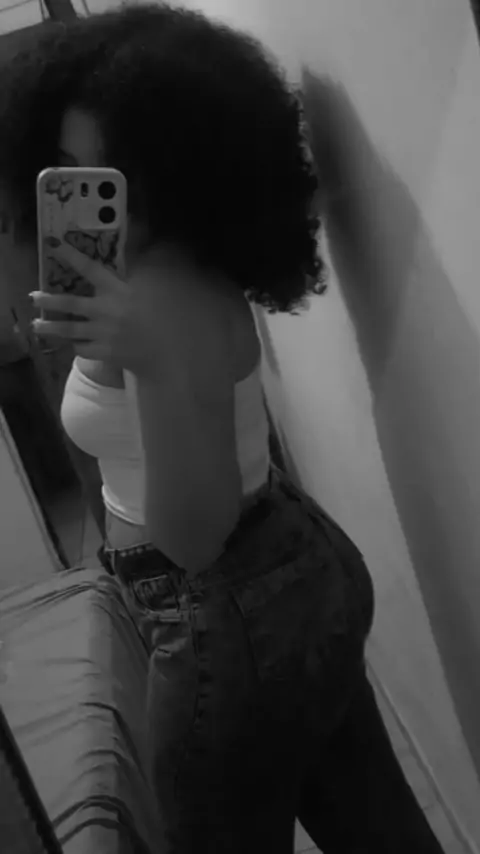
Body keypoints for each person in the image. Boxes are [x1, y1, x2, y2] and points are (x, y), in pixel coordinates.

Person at [0, 4, 446, 852]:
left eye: (112, 179)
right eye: (68, 173)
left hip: (221, 607)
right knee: (380, 828)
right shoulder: (172, 270)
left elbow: (192, 539)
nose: (89, 200)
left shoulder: (159, 304)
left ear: (179, 171)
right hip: (287, 565)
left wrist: (152, 360)